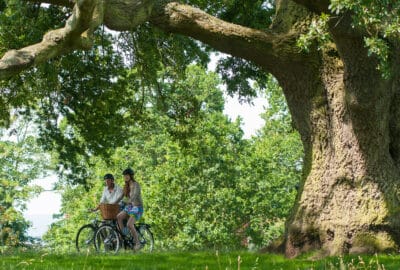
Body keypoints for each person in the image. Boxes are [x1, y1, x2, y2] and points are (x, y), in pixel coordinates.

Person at [117, 168, 144, 251]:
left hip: (137, 207)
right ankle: (125, 234)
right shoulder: (126, 186)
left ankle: (138, 243)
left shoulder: (136, 185)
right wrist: (113, 203)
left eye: (127, 175)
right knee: (119, 217)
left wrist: (130, 200)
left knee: (129, 224)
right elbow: (120, 196)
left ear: (131, 176)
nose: (125, 177)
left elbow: (135, 195)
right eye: (124, 176)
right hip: (130, 207)